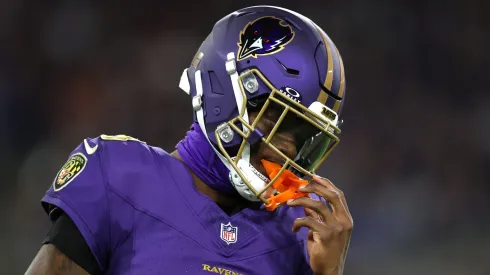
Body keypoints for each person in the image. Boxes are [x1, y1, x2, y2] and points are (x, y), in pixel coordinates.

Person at [26, 5, 352, 275]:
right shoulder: (120, 176)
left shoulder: (303, 230)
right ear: (223, 91)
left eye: (303, 136)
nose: (288, 148)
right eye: (276, 118)